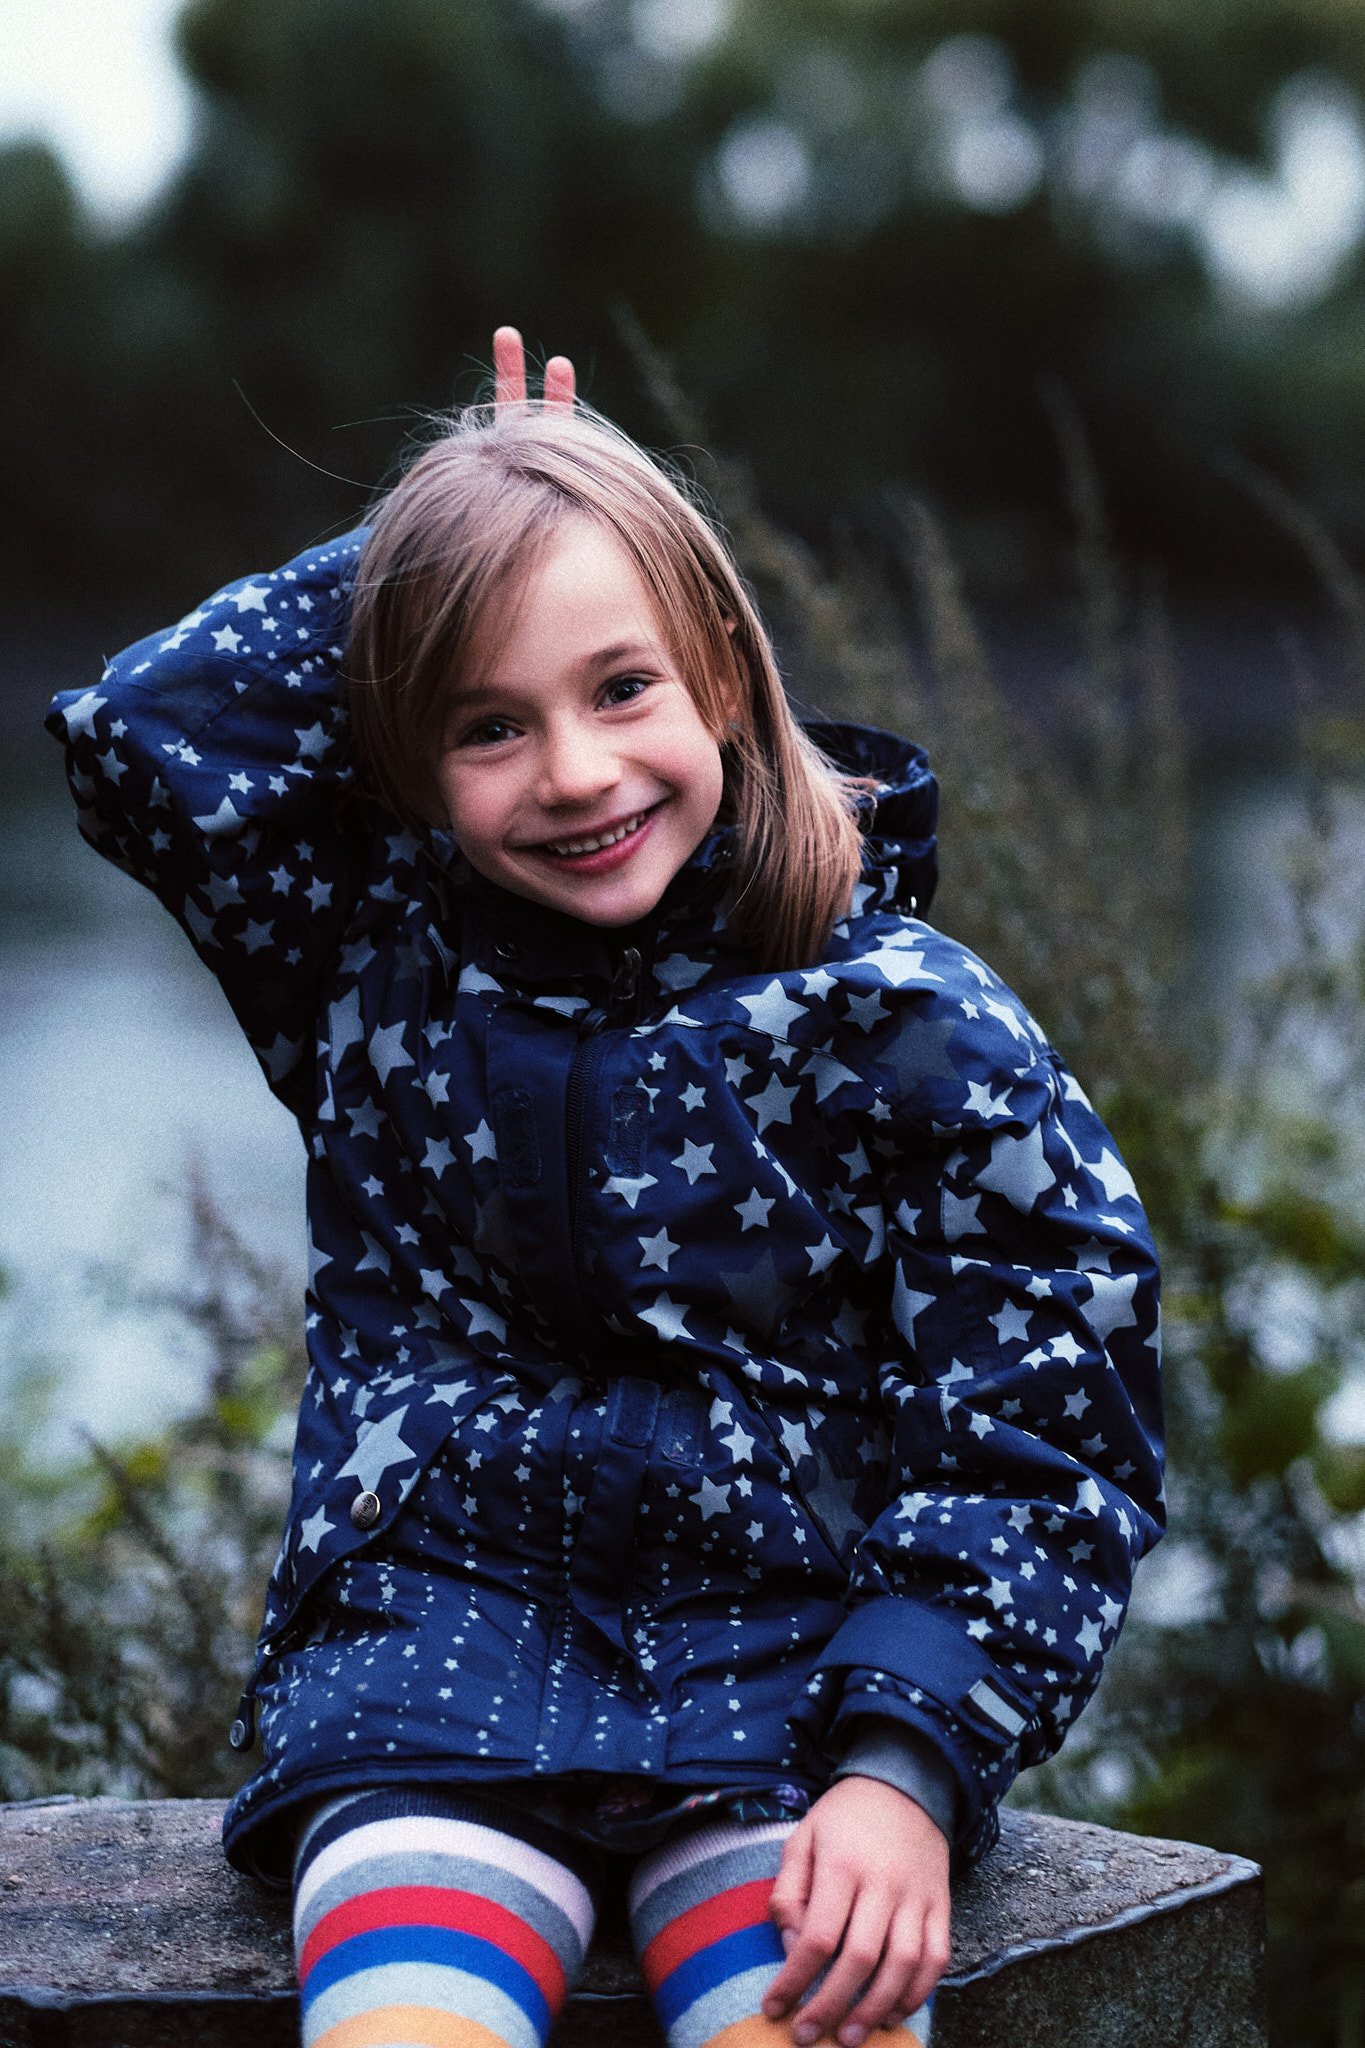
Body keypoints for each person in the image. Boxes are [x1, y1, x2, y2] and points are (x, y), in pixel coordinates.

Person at [46, 327, 1164, 2048]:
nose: (572, 771)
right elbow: (141, 731)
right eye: (488, 725)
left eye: (620, 686)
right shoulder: (359, 961)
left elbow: (1054, 1413)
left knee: (813, 2022)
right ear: (406, 759)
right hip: (431, 1683)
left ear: (724, 664)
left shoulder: (907, 1018)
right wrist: (463, 521)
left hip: (787, 1697)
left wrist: (905, 1760)